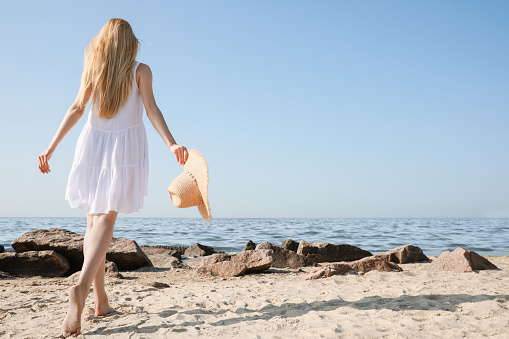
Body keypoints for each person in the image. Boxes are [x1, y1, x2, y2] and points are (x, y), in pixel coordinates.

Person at [37, 18, 188, 337]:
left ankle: (101, 302)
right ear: (130, 42)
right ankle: (80, 288)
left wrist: (50, 149)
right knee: (105, 222)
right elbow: (151, 109)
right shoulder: (140, 70)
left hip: (92, 144)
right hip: (123, 147)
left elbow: (77, 108)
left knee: (94, 224)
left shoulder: (96, 66)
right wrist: (171, 142)